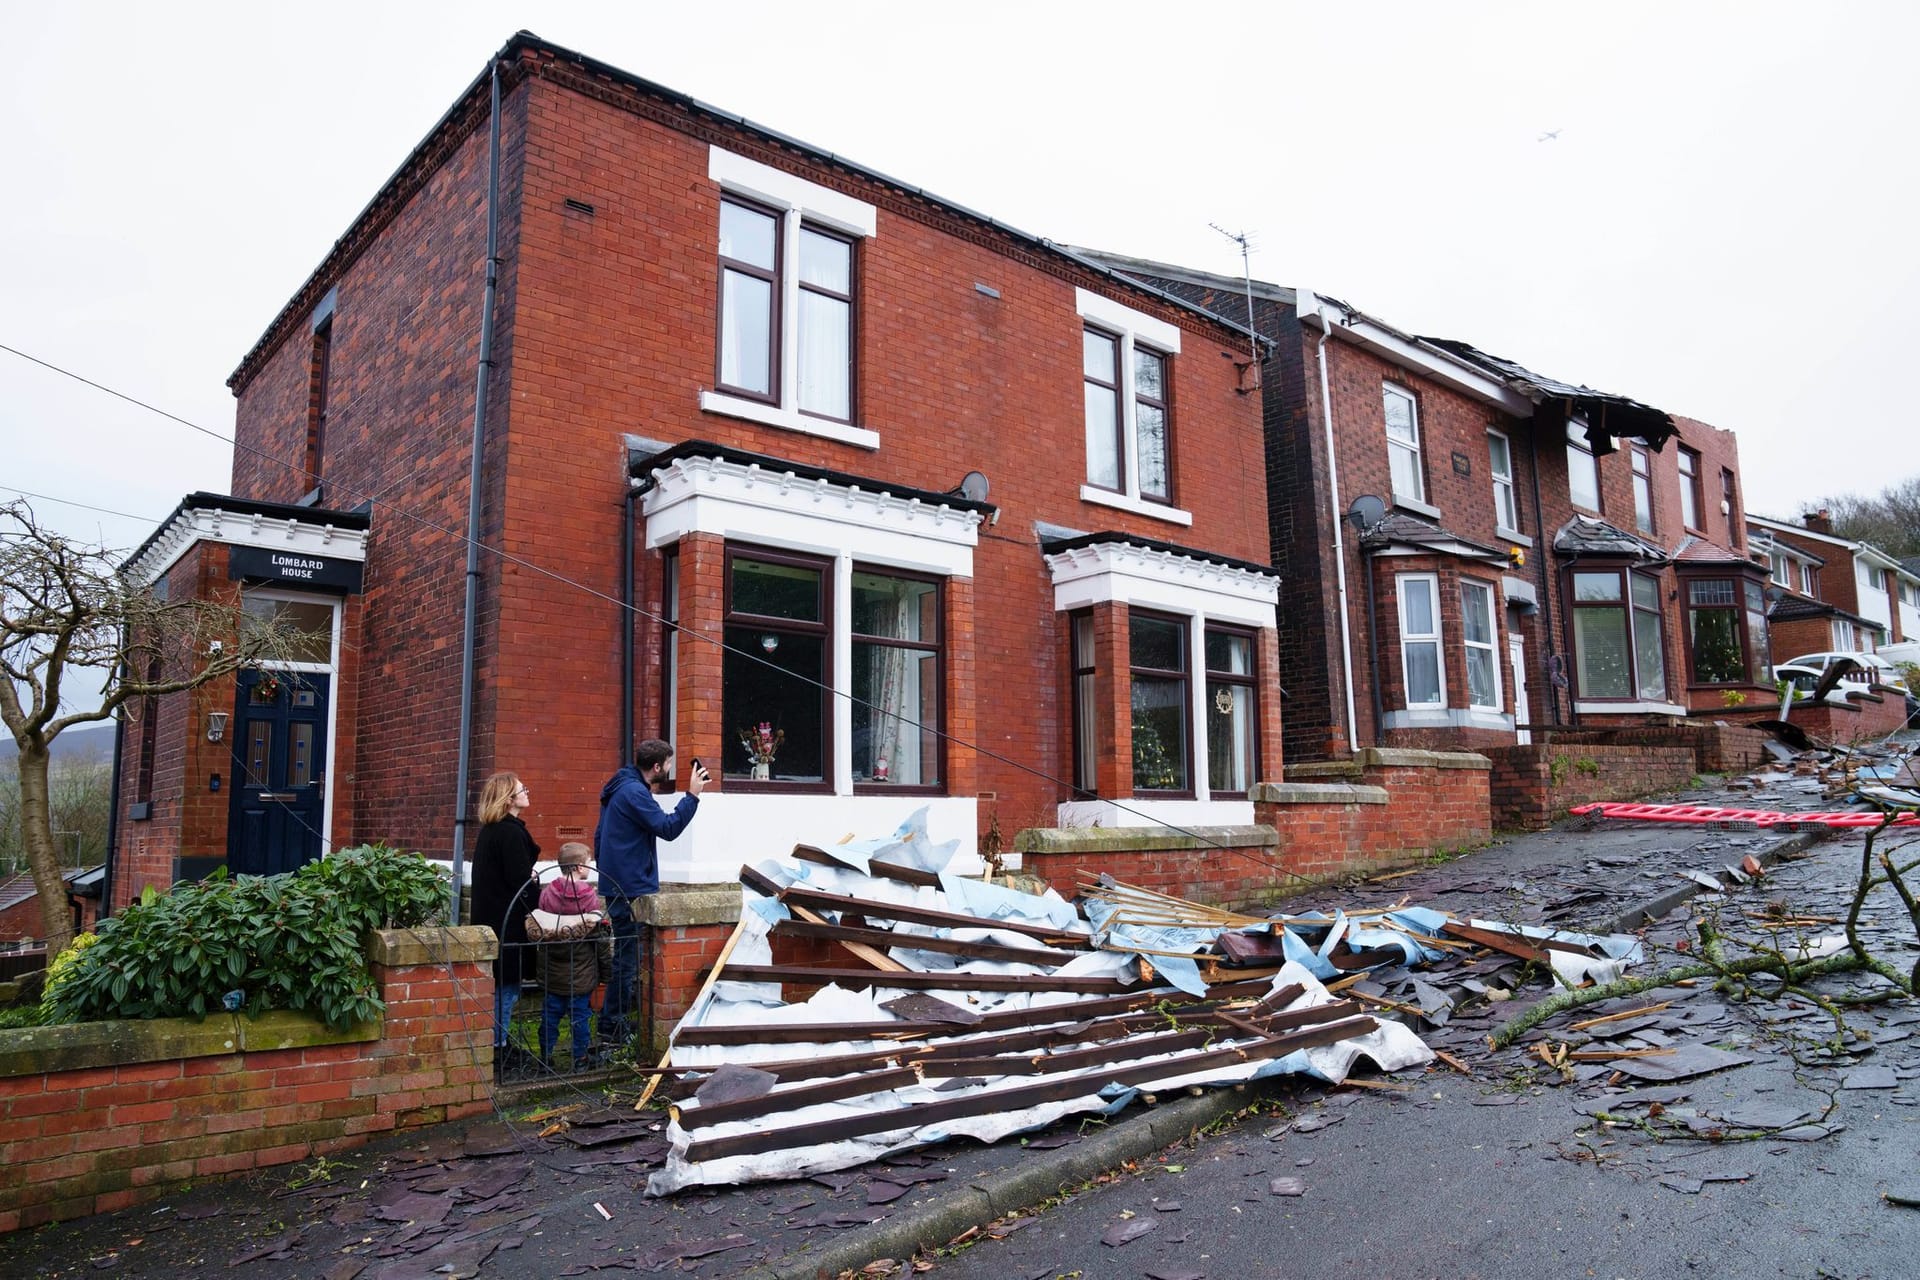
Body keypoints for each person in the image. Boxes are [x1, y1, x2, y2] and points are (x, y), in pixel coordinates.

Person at [594, 739, 707, 1044]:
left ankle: (615, 1022)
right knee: (628, 960)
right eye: (668, 764)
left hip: (617, 882)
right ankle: (612, 1027)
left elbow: (600, 834)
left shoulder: (622, 786)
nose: (669, 769)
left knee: (629, 957)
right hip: (629, 886)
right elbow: (668, 828)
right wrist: (692, 797)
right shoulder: (634, 793)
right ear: (656, 766)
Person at [471, 771, 539, 1073]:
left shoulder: (491, 831)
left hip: (491, 917)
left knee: (499, 984)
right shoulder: (510, 833)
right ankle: (498, 1047)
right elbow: (519, 882)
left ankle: (497, 1041)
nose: (528, 792)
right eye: (523, 789)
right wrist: (534, 892)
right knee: (507, 986)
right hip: (506, 921)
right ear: (509, 799)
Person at [525, 843, 611, 1068]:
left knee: (550, 1016)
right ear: (580, 866)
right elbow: (598, 937)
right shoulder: (589, 897)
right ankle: (580, 1058)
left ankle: (545, 1057)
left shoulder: (547, 893)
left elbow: (543, 924)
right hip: (581, 971)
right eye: (589, 862)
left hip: (552, 970)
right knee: (580, 1018)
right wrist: (607, 971)